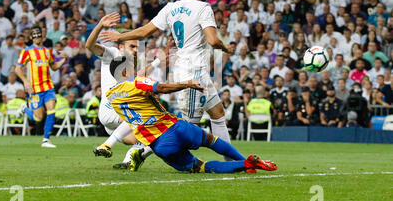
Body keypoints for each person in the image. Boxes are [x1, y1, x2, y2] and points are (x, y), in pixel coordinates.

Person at [100, 0, 234, 160]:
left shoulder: (171, 8)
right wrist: (226, 47)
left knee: (217, 113)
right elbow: (212, 39)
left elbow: (145, 30)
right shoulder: (204, 8)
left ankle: (232, 159)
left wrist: (120, 37)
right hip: (193, 71)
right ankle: (141, 151)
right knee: (188, 128)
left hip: (191, 69)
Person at [106, 57, 277, 173]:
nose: (135, 70)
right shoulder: (136, 82)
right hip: (175, 127)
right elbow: (162, 88)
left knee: (200, 167)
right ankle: (246, 160)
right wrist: (186, 84)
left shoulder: (110, 95)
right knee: (211, 141)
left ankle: (246, 164)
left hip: (159, 144)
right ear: (124, 71)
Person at [85, 12, 145, 168]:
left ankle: (127, 162)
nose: (136, 50)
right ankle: (107, 145)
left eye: (137, 47)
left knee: (145, 137)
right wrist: (99, 26)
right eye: (132, 46)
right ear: (120, 46)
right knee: (145, 120)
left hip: (117, 117)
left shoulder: (133, 62)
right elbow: (89, 46)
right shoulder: (112, 54)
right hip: (111, 110)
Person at [15, 26, 68, 148]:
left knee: (52, 109)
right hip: (35, 89)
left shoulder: (47, 51)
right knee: (38, 118)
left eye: (39, 35)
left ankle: (46, 140)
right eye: (35, 36)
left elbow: (54, 66)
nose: (37, 37)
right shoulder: (27, 51)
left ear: (42, 36)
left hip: (48, 86)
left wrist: (64, 59)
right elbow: (18, 69)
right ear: (31, 38)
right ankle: (24, 109)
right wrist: (25, 81)